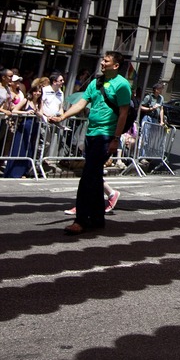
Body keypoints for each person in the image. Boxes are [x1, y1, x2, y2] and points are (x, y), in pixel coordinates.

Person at [50, 52, 132, 235]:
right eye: (103, 60)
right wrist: (62, 117)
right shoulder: (96, 82)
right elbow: (81, 104)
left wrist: (116, 139)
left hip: (106, 136)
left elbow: (124, 113)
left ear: (116, 65)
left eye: (106, 61)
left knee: (87, 177)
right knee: (94, 177)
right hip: (91, 134)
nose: (102, 63)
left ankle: (81, 220)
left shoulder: (122, 85)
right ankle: (97, 218)